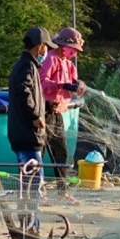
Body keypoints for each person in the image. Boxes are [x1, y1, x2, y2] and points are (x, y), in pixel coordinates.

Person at [7, 27, 56, 199]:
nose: (47, 51)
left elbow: (28, 93)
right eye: (46, 47)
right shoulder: (27, 66)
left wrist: (48, 106)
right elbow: (23, 91)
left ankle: (29, 223)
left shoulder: (26, 65)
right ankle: (29, 224)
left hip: (25, 134)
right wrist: (35, 116)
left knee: (29, 185)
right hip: (28, 136)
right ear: (39, 46)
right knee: (32, 186)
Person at [40, 27, 86, 183]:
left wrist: (79, 86)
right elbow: (42, 82)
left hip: (58, 112)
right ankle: (34, 188)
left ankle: (62, 189)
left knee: (61, 151)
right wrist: (61, 85)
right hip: (45, 110)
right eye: (72, 49)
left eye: (76, 50)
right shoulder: (50, 59)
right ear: (62, 46)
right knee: (40, 150)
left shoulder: (70, 66)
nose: (74, 53)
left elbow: (74, 87)